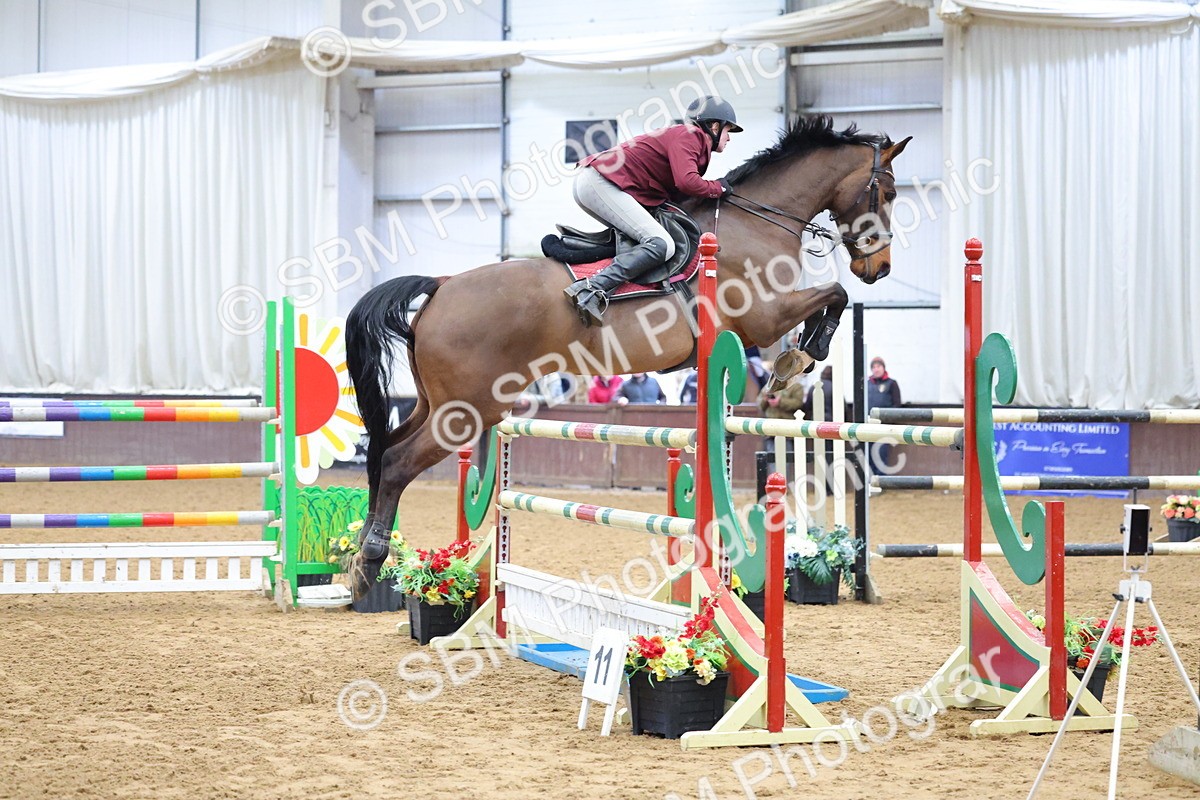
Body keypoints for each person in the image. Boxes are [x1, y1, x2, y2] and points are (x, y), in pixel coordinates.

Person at [564, 95, 742, 326]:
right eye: (728, 130)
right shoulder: (692, 135)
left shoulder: (689, 140)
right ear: (714, 126)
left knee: (646, 238)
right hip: (600, 183)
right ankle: (591, 288)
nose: (729, 138)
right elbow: (687, 182)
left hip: (597, 183)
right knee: (661, 244)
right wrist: (718, 187)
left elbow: (678, 192)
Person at [757, 370, 807, 454]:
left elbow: (798, 403)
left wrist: (780, 402)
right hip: (770, 429)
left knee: (785, 457)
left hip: (787, 429)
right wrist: (765, 400)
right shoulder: (769, 386)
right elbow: (760, 404)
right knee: (771, 457)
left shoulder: (796, 386)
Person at [865, 356, 902, 469]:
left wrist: (889, 421)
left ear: (883, 368)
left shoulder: (891, 384)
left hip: (884, 427)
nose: (876, 369)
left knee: (881, 456)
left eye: (878, 366)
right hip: (869, 426)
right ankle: (870, 484)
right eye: (874, 367)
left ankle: (880, 483)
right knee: (869, 457)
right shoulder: (867, 384)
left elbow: (897, 404)